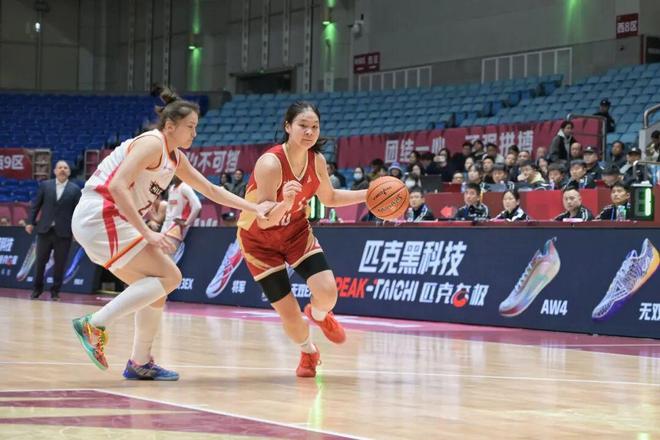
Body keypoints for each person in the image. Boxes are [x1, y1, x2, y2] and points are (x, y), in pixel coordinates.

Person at [70, 89, 272, 380]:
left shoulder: (175, 158)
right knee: (171, 277)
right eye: (190, 127)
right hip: (101, 214)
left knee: (156, 288)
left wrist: (254, 207)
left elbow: (211, 190)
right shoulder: (152, 143)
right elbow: (117, 186)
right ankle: (94, 324)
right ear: (169, 126)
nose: (195, 133)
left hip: (104, 220)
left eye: (196, 127)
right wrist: (147, 232)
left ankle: (140, 362)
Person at [236, 101, 368, 378]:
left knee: (328, 292)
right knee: (290, 315)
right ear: (288, 127)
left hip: (295, 232)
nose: (309, 132)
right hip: (259, 241)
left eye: (314, 127)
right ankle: (308, 351)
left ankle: (319, 315)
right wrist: (286, 202)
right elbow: (264, 219)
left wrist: (369, 194)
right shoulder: (270, 163)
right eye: (303, 126)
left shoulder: (316, 160)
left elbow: (330, 198)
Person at [26, 160, 81, 301]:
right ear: (55, 171)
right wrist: (30, 222)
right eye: (60, 167)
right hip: (45, 230)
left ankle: (55, 292)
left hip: (64, 233)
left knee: (60, 264)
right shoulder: (45, 186)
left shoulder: (75, 190)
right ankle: (37, 290)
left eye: (65, 168)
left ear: (69, 172)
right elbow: (36, 205)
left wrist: (76, 232)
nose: (62, 169)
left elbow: (78, 213)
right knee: (40, 262)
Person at [162, 175, 202, 261]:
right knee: (161, 258)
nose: (174, 175)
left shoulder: (185, 187)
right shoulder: (171, 188)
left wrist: (187, 223)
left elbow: (197, 206)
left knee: (168, 259)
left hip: (176, 228)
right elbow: (169, 211)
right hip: (166, 226)